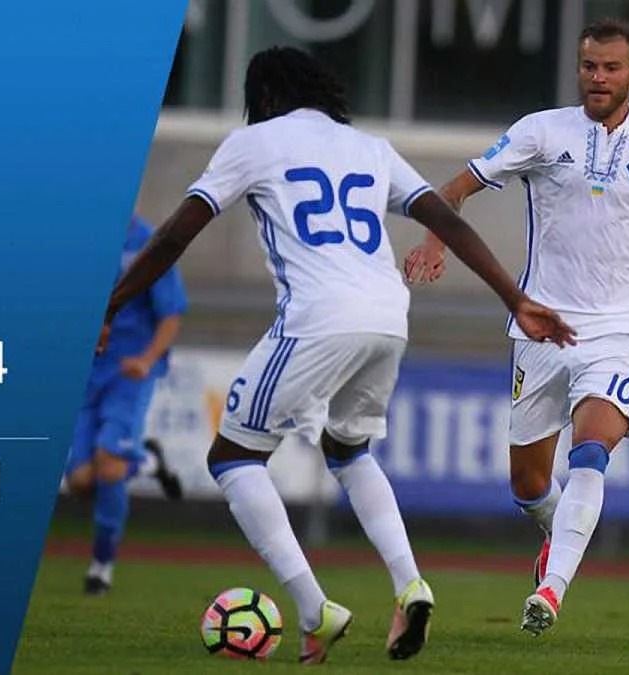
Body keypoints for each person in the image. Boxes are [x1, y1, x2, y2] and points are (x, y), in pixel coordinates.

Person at [100, 46, 574, 664]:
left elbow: (174, 235)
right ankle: (411, 584)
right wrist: (515, 298)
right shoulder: (369, 147)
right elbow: (449, 223)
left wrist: (111, 304)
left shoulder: (254, 142)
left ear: (264, 97)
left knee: (233, 457)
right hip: (388, 315)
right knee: (348, 450)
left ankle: (314, 611)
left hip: (318, 316)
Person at [402, 18, 629, 636]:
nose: (599, 77)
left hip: (621, 328)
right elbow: (453, 190)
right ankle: (553, 532)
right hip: (542, 326)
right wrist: (434, 240)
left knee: (591, 450)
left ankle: (551, 590)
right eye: (590, 66)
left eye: (611, 67)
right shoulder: (541, 131)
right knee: (528, 484)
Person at [64, 214, 187, 596]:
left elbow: (171, 315)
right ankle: (147, 462)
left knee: (110, 464)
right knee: (81, 481)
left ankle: (101, 566)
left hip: (127, 372)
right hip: (88, 376)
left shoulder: (150, 243)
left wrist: (147, 360)